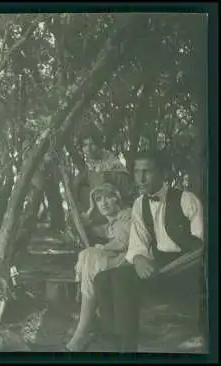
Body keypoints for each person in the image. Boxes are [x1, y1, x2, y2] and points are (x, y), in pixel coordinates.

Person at [93, 151, 204, 352]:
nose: (141, 178)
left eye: (147, 172)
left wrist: (168, 267)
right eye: (136, 172)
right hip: (158, 266)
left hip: (187, 268)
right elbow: (138, 243)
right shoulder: (139, 204)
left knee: (121, 279)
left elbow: (202, 247)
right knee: (101, 279)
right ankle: (114, 342)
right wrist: (137, 258)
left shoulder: (186, 200)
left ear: (162, 173)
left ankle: (128, 350)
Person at [65, 183, 132, 351]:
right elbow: (86, 228)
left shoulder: (128, 215)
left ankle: (83, 328)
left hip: (132, 261)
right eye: (98, 200)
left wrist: (103, 248)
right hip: (118, 261)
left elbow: (123, 241)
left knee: (91, 255)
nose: (104, 203)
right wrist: (87, 213)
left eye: (109, 197)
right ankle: (88, 323)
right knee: (88, 256)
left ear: (117, 198)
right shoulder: (110, 224)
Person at [74, 128, 133, 214]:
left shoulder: (112, 165)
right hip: (100, 216)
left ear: (99, 144)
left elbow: (128, 194)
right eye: (85, 145)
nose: (89, 149)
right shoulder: (89, 167)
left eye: (92, 144)